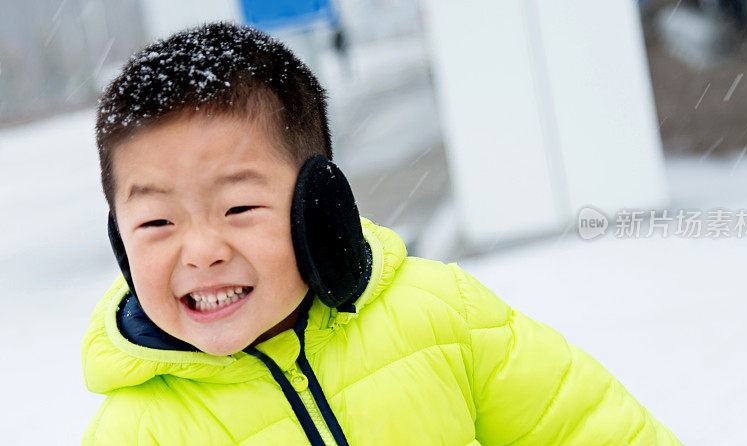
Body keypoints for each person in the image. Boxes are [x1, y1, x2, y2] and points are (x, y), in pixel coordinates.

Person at [81, 22, 681, 445]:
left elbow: (590, 430)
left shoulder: (441, 317)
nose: (204, 252)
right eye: (157, 222)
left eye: (238, 208)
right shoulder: (138, 432)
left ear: (319, 207)